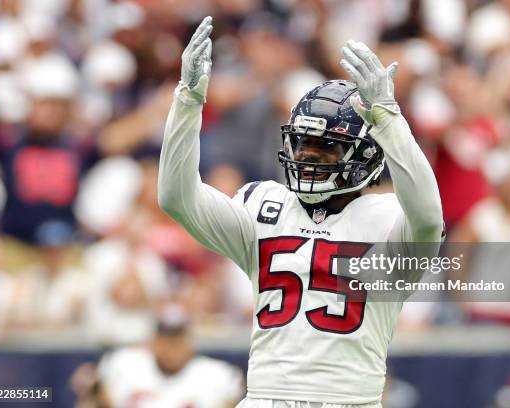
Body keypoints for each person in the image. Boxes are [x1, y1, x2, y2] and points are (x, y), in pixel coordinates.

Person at [158, 16, 443, 408]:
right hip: (264, 397)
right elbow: (177, 197)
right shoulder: (263, 204)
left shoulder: (391, 219)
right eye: (302, 142)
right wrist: (188, 101)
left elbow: (429, 215)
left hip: (349, 400)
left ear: (365, 157)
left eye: (325, 146)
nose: (308, 154)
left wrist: (389, 118)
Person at [97, 306, 244, 408]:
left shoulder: (216, 375)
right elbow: (98, 398)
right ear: (154, 341)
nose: (171, 347)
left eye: (177, 340)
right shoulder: (126, 364)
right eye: (165, 340)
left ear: (189, 342)